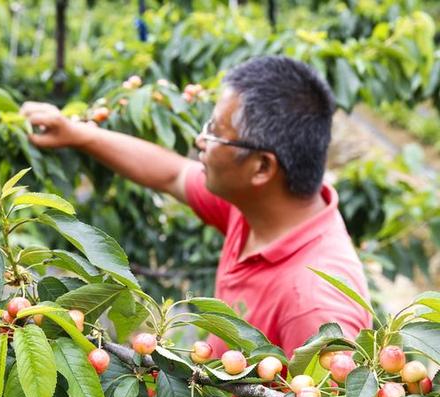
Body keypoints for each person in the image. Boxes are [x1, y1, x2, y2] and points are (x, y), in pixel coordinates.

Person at [21, 55, 371, 359]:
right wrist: (78, 133)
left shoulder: (315, 308)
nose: (200, 141)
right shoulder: (262, 207)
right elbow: (172, 173)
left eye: (215, 132)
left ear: (262, 168)